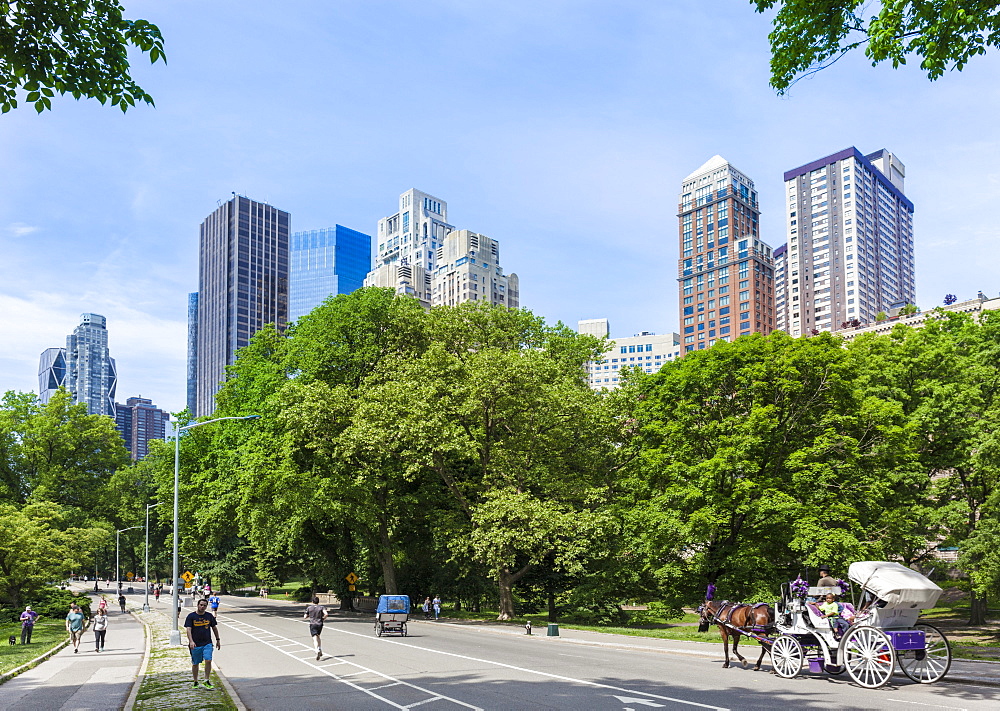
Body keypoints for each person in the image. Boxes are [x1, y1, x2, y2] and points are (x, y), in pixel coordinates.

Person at [184, 598, 221, 689]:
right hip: (195, 644)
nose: (202, 607)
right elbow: (188, 629)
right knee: (195, 663)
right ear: (198, 605)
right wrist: (191, 641)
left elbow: (214, 628)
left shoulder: (209, 616)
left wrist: (218, 639)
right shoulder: (191, 616)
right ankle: (195, 681)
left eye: (204, 605)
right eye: (201, 605)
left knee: (208, 660)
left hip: (207, 642)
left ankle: (206, 680)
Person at [303, 596, 329, 660]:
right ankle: (319, 648)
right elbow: (326, 614)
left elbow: (305, 617)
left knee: (314, 638)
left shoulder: (309, 608)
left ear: (312, 601)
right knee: (318, 636)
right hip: (319, 624)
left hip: (313, 624)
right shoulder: (321, 607)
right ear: (318, 601)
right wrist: (323, 618)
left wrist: (309, 615)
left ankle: (316, 650)